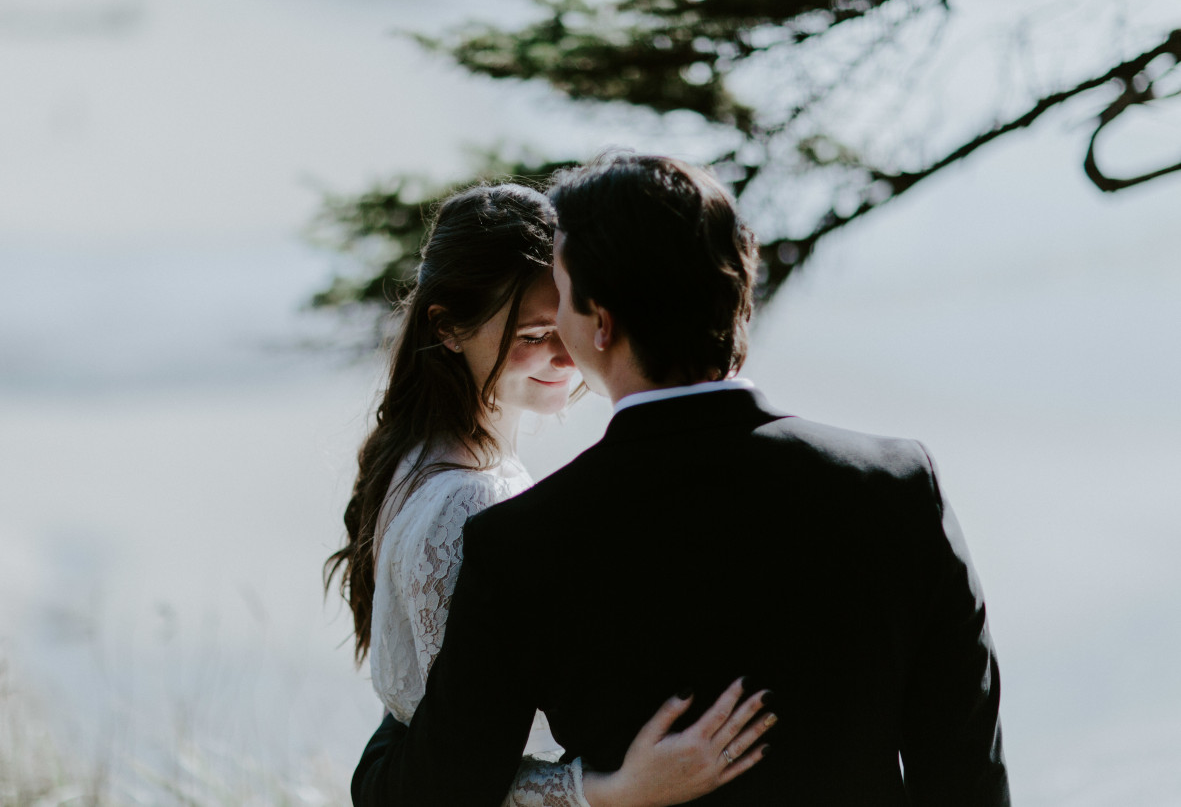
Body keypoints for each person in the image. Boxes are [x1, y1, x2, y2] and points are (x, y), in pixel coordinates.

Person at [349, 155, 1010, 806]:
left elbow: (435, 788)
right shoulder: (896, 485)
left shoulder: (519, 542)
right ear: (737, 295)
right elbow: (965, 774)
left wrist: (383, 751)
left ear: (598, 323)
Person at [325, 183, 776, 807]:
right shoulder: (468, 501)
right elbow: (456, 770)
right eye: (532, 335)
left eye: (568, 319)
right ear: (449, 328)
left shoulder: (421, 450)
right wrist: (617, 789)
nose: (565, 355)